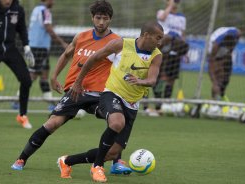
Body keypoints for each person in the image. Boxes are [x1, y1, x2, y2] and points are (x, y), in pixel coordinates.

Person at [11, 0, 131, 176]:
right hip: (75, 92)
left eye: (105, 19)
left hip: (100, 94)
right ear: (92, 17)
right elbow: (66, 54)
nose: (101, 22)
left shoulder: (115, 42)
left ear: (110, 20)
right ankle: (21, 158)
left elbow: (123, 66)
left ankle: (116, 161)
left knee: (117, 120)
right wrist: (53, 76)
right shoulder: (81, 37)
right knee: (52, 124)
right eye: (98, 18)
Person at [59, 21, 164, 183]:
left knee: (113, 152)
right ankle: (97, 167)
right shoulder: (121, 44)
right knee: (116, 123)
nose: (160, 42)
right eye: (158, 38)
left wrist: (140, 81)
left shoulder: (156, 55)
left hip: (132, 104)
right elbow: (94, 58)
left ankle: (66, 161)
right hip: (112, 94)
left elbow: (152, 79)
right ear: (146, 35)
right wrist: (78, 81)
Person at [0, 0, 35, 129]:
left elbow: (22, 29)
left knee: (26, 80)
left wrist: (26, 47)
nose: (8, 1)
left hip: (10, 50)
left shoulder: (18, 9)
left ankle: (22, 115)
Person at [11, 0, 68, 110]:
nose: (53, 1)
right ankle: (17, 100)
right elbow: (48, 28)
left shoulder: (37, 9)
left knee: (44, 75)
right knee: (32, 75)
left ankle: (50, 102)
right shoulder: (45, 11)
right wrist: (62, 43)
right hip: (38, 47)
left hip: (38, 46)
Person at [144, 0, 188, 116]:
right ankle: (153, 105)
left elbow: (182, 34)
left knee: (171, 78)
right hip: (163, 47)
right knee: (158, 76)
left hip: (176, 49)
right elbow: (162, 18)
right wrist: (170, 5)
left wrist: (185, 53)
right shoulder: (161, 12)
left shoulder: (182, 17)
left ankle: (165, 104)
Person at [208, 27, 241, 101]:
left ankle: (222, 95)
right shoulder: (214, 47)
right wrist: (214, 83)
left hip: (225, 53)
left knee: (225, 78)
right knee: (218, 78)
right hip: (215, 57)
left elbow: (238, 33)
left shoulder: (236, 33)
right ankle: (214, 99)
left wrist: (229, 53)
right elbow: (211, 66)